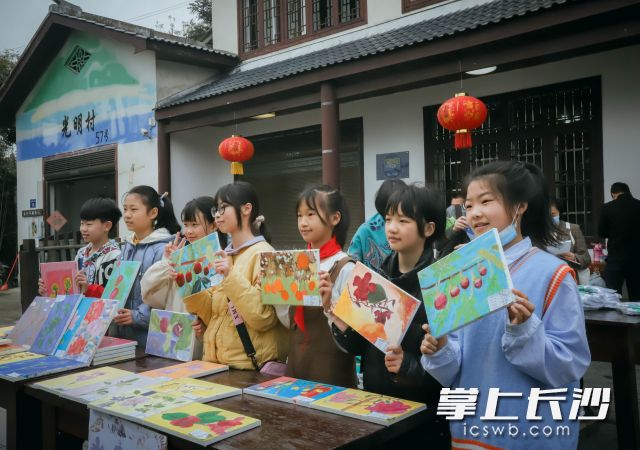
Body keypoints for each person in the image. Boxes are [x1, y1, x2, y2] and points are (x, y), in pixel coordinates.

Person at [421, 161, 590, 450]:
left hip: (531, 432)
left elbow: (570, 365)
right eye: (469, 205)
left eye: (486, 201)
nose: (475, 213)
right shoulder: (461, 272)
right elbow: (454, 369)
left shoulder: (554, 274)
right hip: (471, 430)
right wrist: (440, 349)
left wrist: (526, 330)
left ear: (519, 206)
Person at [328, 184, 450, 448]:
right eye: (388, 220)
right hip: (376, 412)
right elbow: (360, 347)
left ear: (428, 229)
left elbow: (449, 369)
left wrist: (408, 366)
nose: (391, 228)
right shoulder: (375, 278)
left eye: (403, 221)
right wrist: (338, 318)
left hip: (421, 423)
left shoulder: (440, 285)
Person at [183, 182, 284, 369]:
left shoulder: (268, 255)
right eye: (216, 210)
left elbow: (264, 318)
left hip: (248, 367)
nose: (218, 215)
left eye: (223, 208)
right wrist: (188, 281)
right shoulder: (224, 255)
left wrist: (230, 275)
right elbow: (210, 315)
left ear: (246, 209)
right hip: (216, 362)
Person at [278, 185, 356, 387]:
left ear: (335, 218)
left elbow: (353, 335)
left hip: (332, 376)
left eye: (311, 214)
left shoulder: (346, 267)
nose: (303, 223)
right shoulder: (295, 264)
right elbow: (290, 323)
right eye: (299, 215)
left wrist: (330, 303)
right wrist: (273, 292)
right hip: (296, 369)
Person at [111, 186, 180, 347]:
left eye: (134, 209)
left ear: (153, 213)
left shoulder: (164, 248)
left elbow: (164, 294)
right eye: (125, 209)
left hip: (151, 336)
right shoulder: (127, 245)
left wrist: (137, 316)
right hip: (123, 333)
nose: (127, 215)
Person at [38, 197, 122, 298]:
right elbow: (73, 288)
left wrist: (88, 289)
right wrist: (48, 289)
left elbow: (116, 295)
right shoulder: (81, 253)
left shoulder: (115, 256)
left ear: (107, 226)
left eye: (89, 224)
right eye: (82, 223)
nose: (83, 229)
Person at [348, 179, 406, 270]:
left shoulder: (432, 270)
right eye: (388, 218)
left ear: (428, 229)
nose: (393, 229)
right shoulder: (365, 231)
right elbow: (350, 268)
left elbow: (434, 281)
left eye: (402, 220)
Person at [598, 182, 640, 299]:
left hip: (616, 258)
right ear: (628, 192)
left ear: (613, 194)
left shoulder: (607, 208)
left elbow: (602, 233)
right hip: (637, 260)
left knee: (613, 296)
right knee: (637, 297)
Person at [549, 197, 591, 284]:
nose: (549, 219)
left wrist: (574, 257)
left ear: (559, 212)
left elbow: (586, 259)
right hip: (548, 281)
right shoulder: (539, 233)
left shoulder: (573, 229)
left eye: (553, 215)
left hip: (570, 280)